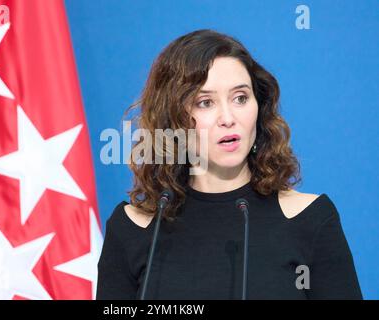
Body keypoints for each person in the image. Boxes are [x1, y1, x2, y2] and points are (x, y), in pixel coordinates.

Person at [96, 29, 362, 300]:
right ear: (171, 119)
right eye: (205, 102)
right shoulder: (132, 228)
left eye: (240, 98)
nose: (228, 117)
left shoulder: (311, 219)